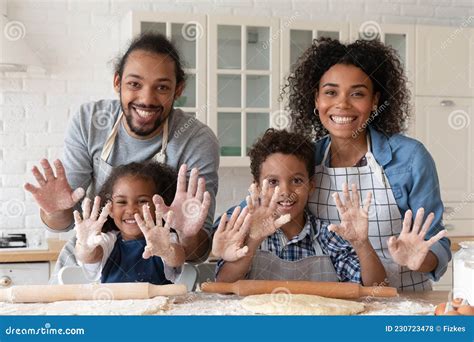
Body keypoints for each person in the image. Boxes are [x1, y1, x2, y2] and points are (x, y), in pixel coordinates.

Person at [24, 32, 219, 261]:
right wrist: (55, 210)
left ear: (178, 90)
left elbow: (198, 252)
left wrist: (187, 234)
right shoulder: (91, 121)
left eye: (162, 88)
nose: (146, 99)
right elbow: (64, 223)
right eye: (134, 84)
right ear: (118, 82)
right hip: (92, 260)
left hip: (162, 273)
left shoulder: (196, 140)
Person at [283, 37, 450, 290]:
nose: (342, 104)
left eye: (357, 94)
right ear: (316, 99)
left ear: (374, 101)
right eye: (330, 92)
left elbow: (437, 242)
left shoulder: (410, 157)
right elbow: (257, 209)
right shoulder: (305, 159)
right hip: (330, 304)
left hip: (403, 302)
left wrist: (420, 259)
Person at [212, 129, 387, 286]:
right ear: (257, 188)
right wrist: (253, 240)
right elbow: (223, 285)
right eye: (273, 182)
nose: (286, 191)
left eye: (296, 181)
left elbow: (377, 289)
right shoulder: (244, 231)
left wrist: (361, 244)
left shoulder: (327, 236)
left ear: (311, 186)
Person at [74, 162, 184, 284]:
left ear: (159, 206)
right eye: (121, 202)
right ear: (110, 209)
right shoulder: (108, 242)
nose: (131, 210)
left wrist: (166, 251)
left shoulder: (164, 239)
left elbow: (177, 259)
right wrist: (85, 246)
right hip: (112, 303)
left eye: (142, 201)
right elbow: (89, 257)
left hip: (161, 303)